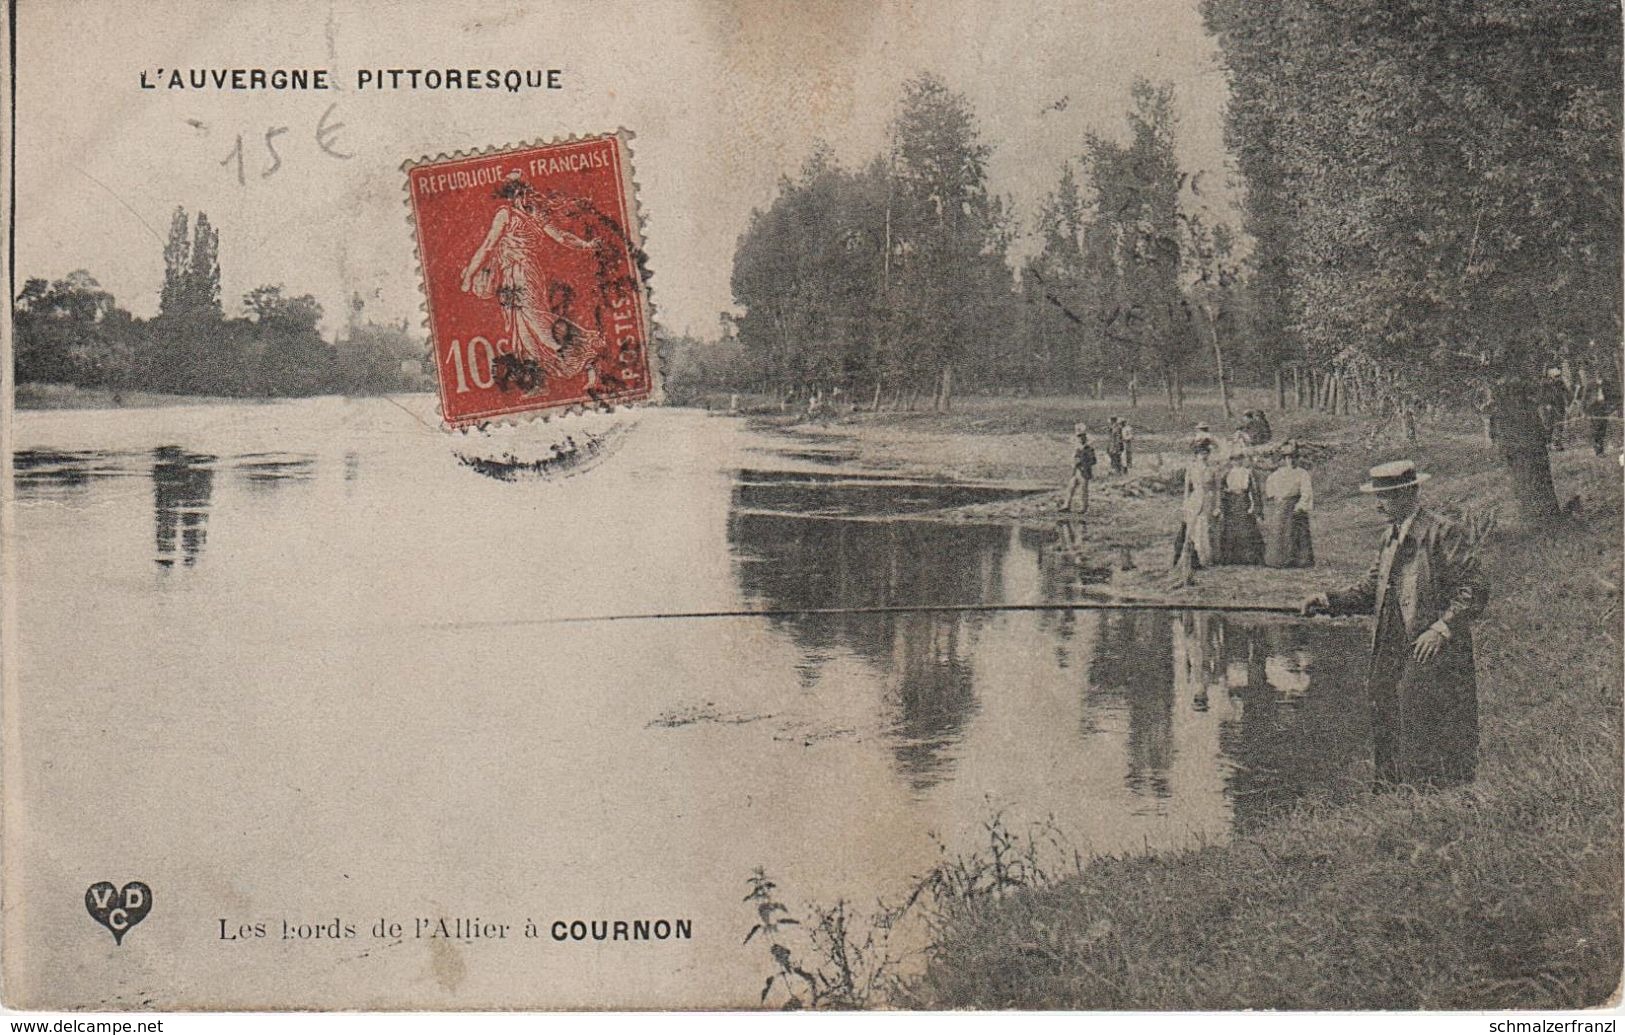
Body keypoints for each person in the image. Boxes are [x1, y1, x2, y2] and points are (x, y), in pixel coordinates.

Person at [1302, 461, 1488, 788]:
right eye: (1378, 496)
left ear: (1408, 494)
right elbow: (1371, 588)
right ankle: (1390, 788)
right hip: (1390, 637)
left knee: (1426, 711)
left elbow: (1474, 589)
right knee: (1383, 702)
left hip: (1429, 641)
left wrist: (1441, 629)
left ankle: (1437, 788)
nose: (1378, 504)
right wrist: (1328, 600)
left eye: (1385, 496)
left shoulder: (1443, 533)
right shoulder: (1389, 537)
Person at [460, 172, 608, 389]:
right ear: (514, 193)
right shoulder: (507, 214)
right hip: (511, 278)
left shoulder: (534, 214)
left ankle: (590, 354)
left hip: (525, 274)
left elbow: (561, 236)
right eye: (522, 190)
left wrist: (585, 245)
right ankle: (536, 384)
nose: (526, 194)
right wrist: (471, 274)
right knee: (524, 334)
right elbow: (488, 245)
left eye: (526, 189)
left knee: (541, 328)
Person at [1263, 441, 1315, 567]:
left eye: (1293, 457)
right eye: (1288, 458)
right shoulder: (1278, 473)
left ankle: (1299, 560)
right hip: (1282, 506)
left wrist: (1301, 504)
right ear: (1284, 459)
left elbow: (1306, 491)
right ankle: (1279, 559)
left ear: (1297, 459)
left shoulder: (1302, 473)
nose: (1291, 460)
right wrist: (1275, 496)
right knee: (1280, 532)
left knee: (1297, 532)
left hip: (1295, 504)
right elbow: (1270, 485)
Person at [1172, 436, 1218, 570]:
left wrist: (1217, 505)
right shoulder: (1191, 469)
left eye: (1206, 453)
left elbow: (1217, 489)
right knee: (1193, 527)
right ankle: (1194, 556)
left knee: (1206, 526)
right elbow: (1187, 488)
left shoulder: (1212, 469)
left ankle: (1207, 556)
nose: (1203, 456)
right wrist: (1185, 503)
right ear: (1196, 455)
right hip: (1195, 498)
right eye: (1200, 453)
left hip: (1208, 498)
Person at [1215, 449, 1265, 564]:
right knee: (1230, 528)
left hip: (1243, 501)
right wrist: (1223, 505)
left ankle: (1249, 557)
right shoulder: (1227, 473)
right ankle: (1231, 558)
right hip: (1231, 503)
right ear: (1231, 461)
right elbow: (1222, 491)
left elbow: (1253, 491)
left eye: (1239, 459)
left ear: (1242, 460)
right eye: (1234, 460)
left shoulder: (1248, 473)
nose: (1236, 462)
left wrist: (1253, 506)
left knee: (1246, 528)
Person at [1064, 426, 1097, 514]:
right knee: (1070, 488)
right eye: (1079, 436)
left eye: (1081, 436)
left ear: (1085, 438)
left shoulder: (1089, 449)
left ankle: (1084, 508)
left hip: (1084, 471)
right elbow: (1074, 459)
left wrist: (1084, 463)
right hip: (1077, 470)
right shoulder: (1077, 448)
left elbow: (1093, 461)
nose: (1080, 438)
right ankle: (1066, 505)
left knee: (1083, 490)